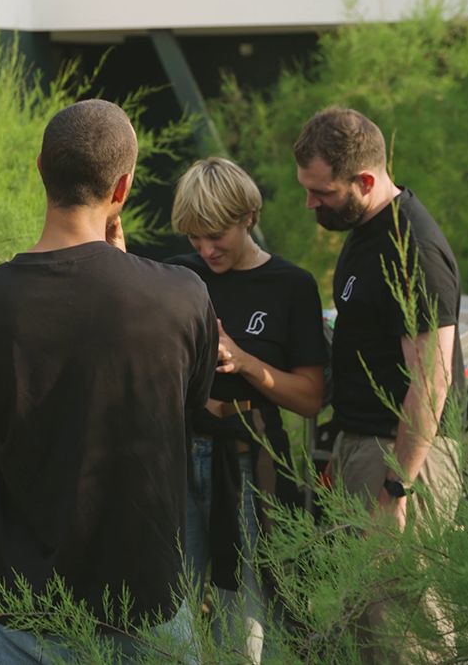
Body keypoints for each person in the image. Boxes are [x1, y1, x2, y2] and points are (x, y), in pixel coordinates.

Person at [0, 99, 219, 663]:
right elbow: (191, 408)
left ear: (40, 167)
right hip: (145, 597)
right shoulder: (182, 296)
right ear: (123, 188)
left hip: (24, 604)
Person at [295, 108, 463, 663]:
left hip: (403, 457)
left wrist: (397, 489)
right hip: (365, 448)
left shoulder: (411, 244)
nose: (311, 204)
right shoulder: (366, 229)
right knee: (371, 628)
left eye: (322, 192)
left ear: (365, 181)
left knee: (408, 632)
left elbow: (431, 380)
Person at [167, 157, 327, 662]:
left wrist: (244, 362)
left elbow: (309, 397)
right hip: (177, 455)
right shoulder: (178, 276)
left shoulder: (290, 286)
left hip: (248, 463)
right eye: (195, 238)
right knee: (175, 602)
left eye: (216, 236)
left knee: (247, 610)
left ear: (248, 218)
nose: (205, 249)